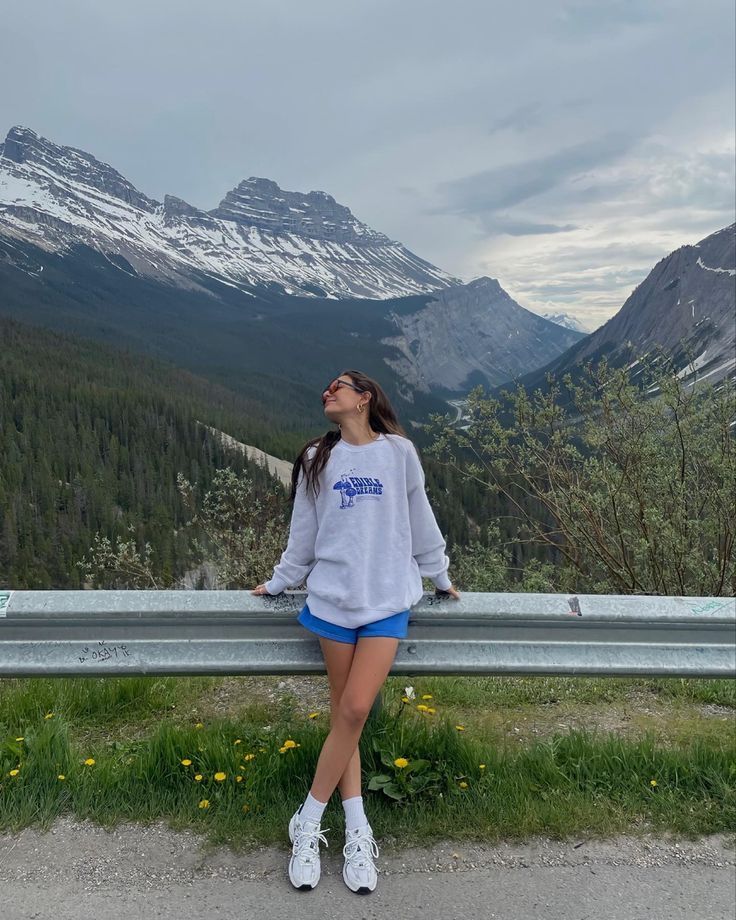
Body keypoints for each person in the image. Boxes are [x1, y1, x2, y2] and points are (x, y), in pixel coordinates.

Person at [251, 369, 460, 894]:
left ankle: (307, 819)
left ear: (364, 399)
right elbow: (304, 531)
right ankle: (358, 830)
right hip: (332, 601)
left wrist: (440, 574)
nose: (328, 390)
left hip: (387, 598)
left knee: (355, 710)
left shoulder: (398, 453)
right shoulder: (316, 458)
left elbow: (420, 516)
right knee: (346, 716)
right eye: (326, 386)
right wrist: (280, 582)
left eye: (339, 386)